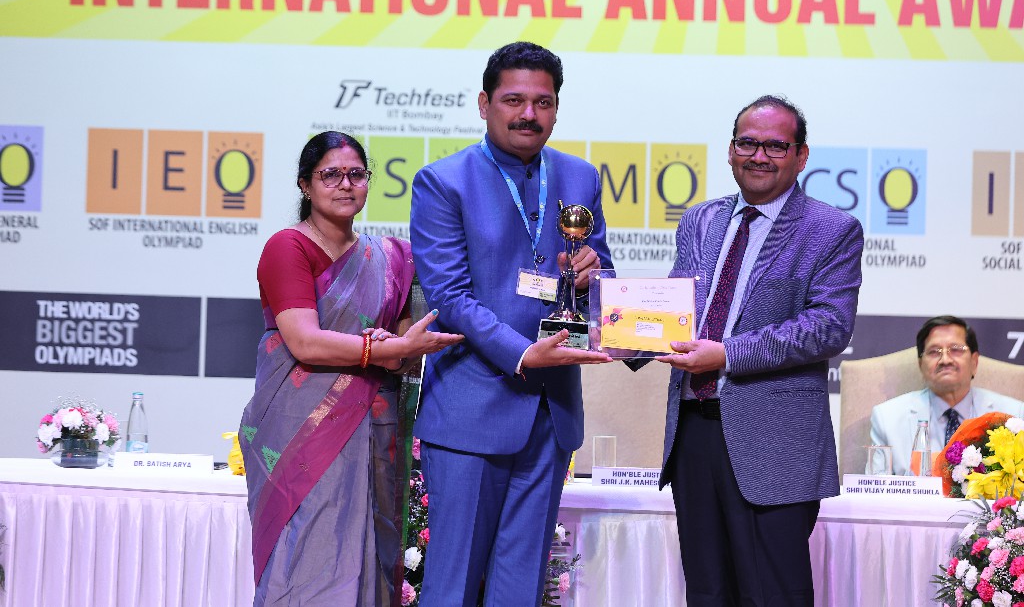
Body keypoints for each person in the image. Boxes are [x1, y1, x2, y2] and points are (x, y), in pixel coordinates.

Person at [409, 41, 614, 607]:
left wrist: (592, 276)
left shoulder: (579, 176)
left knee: (520, 587)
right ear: (485, 104)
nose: (529, 114)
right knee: (452, 585)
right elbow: (449, 297)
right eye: (514, 100)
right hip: (472, 408)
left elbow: (600, 279)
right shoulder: (443, 181)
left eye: (543, 103)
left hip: (551, 412)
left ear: (557, 109)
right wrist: (523, 353)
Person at [239, 131, 463, 607]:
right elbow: (304, 341)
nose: (345, 184)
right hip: (300, 433)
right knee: (307, 560)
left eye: (356, 174)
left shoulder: (394, 258)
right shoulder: (288, 247)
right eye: (331, 175)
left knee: (369, 559)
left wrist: (397, 349)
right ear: (305, 185)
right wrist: (377, 348)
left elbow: (401, 354)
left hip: (373, 428)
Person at [656, 95, 864, 606]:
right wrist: (611, 321)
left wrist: (726, 354)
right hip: (693, 431)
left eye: (775, 146)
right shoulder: (700, 220)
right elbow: (673, 307)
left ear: (801, 155)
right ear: (730, 151)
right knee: (707, 592)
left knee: (773, 595)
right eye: (747, 143)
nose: (759, 156)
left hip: (775, 442)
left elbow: (828, 326)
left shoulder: (831, 230)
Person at [870, 315, 1024, 475]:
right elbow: (876, 487)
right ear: (921, 365)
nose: (945, 360)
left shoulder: (1013, 416)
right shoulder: (887, 418)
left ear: (974, 362)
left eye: (956, 350)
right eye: (934, 352)